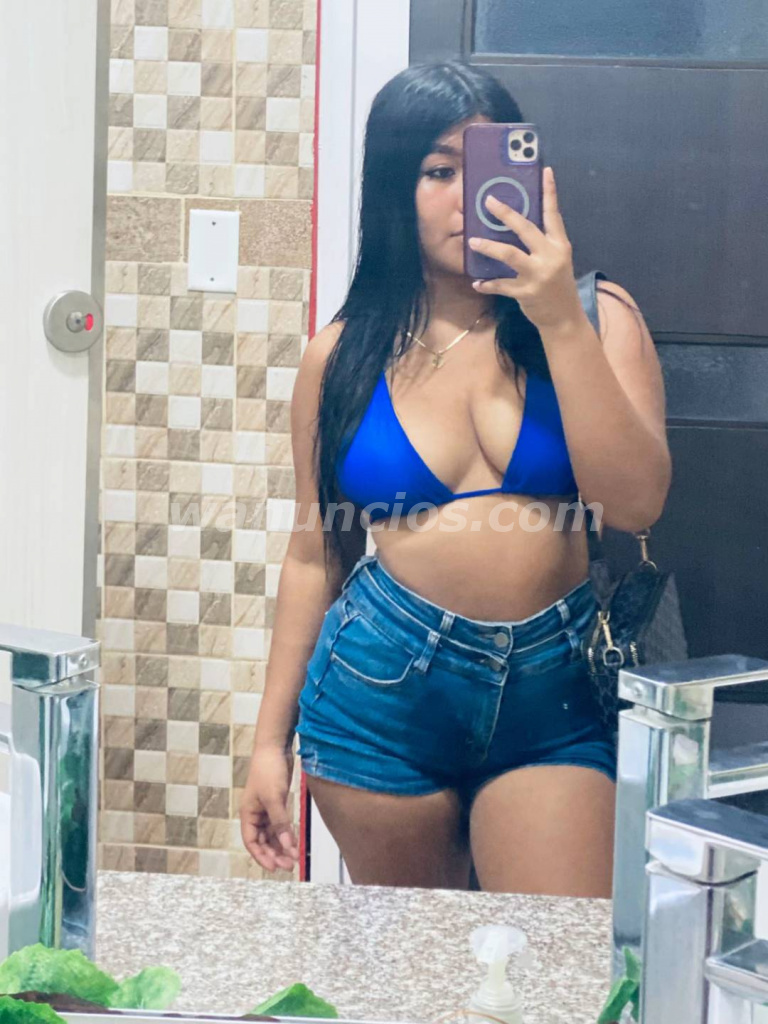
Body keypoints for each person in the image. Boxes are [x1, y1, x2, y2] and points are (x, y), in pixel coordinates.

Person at [239, 61, 671, 896]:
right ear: (394, 189)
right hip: (378, 696)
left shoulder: (595, 317)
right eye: (439, 171)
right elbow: (314, 554)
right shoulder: (343, 355)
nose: (467, 196)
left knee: (557, 960)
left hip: (554, 699)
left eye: (486, 167)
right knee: (418, 962)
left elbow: (635, 502)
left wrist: (556, 316)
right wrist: (267, 743)